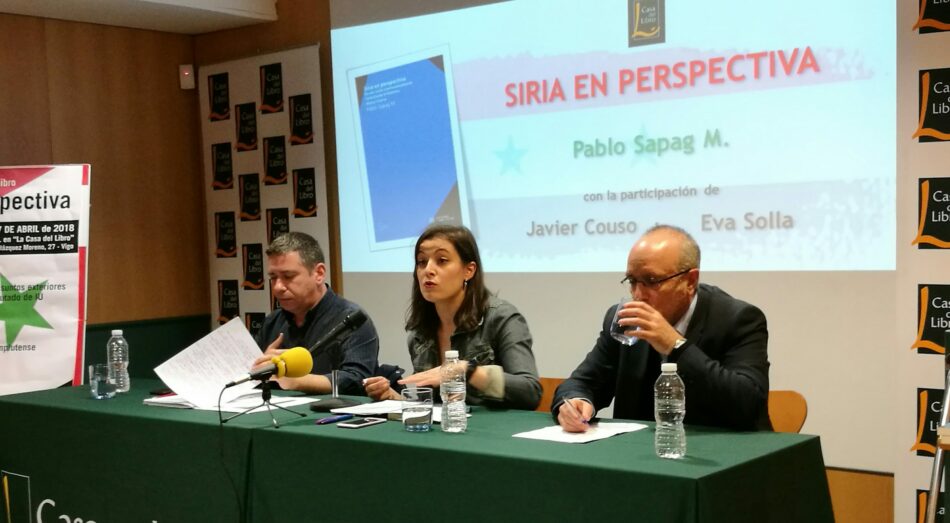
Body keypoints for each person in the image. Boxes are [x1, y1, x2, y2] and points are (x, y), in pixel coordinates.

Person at [553, 224, 770, 432]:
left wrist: (675, 345)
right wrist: (575, 403)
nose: (638, 295)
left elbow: (748, 404)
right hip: (641, 454)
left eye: (651, 280)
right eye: (632, 280)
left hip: (725, 455)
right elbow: (582, 382)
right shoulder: (625, 319)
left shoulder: (738, 319)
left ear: (690, 281)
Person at [363, 224, 542, 410]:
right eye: (421, 262)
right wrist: (395, 399)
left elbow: (530, 392)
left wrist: (465, 370)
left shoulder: (501, 318)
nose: (428, 270)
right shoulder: (419, 333)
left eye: (441, 260)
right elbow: (434, 405)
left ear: (469, 270)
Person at [251, 232, 379, 395]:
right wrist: (260, 366)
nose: (277, 287)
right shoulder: (272, 322)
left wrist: (294, 380)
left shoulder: (351, 320)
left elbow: (358, 379)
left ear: (319, 273)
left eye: (288, 276)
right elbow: (247, 375)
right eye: (273, 278)